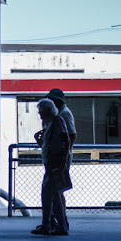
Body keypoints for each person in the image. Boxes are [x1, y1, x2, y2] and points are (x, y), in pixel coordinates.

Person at [31, 99, 71, 236]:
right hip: (52, 164)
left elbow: (65, 141)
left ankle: (47, 225)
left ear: (47, 110)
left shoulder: (57, 121)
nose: (39, 114)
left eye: (41, 111)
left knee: (47, 195)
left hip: (55, 164)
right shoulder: (50, 123)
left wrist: (62, 163)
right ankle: (61, 226)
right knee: (54, 196)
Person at [47, 88, 76, 231]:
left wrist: (64, 155)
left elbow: (71, 135)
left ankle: (59, 221)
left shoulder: (64, 114)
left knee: (56, 189)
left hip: (60, 157)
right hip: (60, 156)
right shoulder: (60, 113)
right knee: (56, 189)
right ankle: (57, 220)